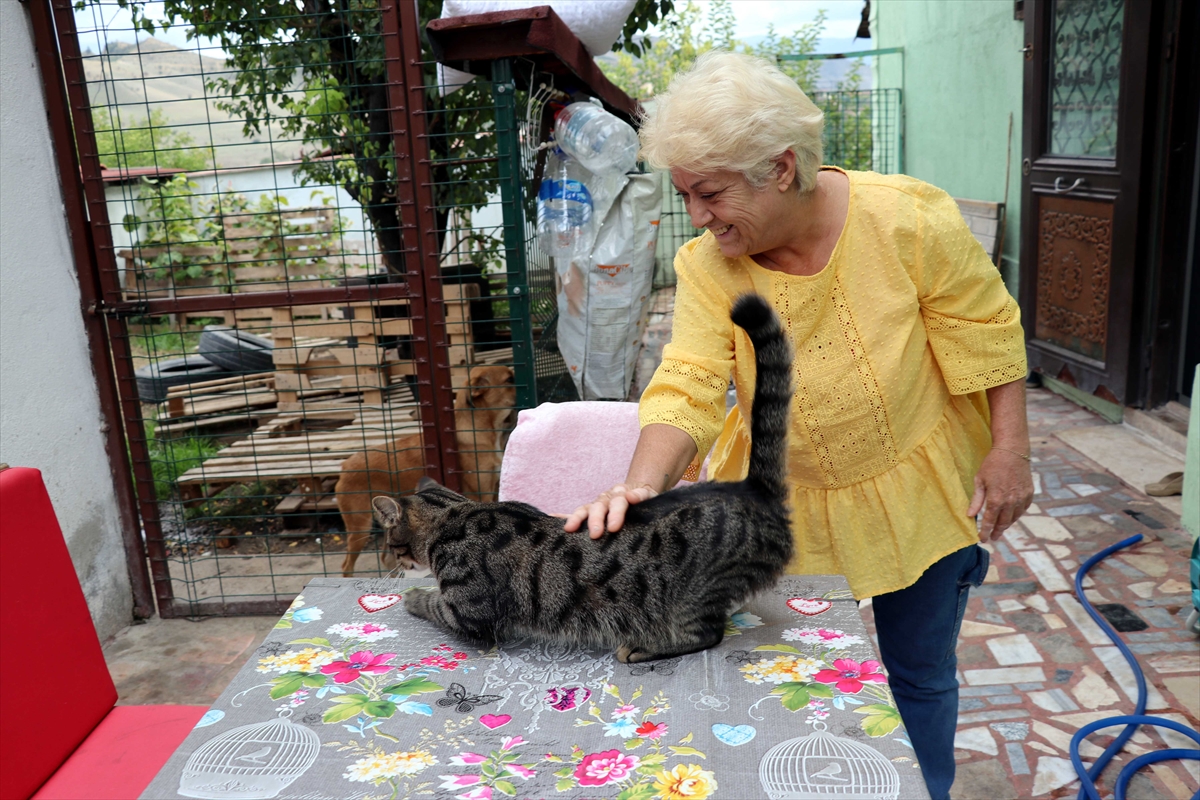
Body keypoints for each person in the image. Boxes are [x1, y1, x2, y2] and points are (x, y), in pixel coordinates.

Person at [562, 52, 1033, 799]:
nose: (698, 217)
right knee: (795, 680)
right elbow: (686, 381)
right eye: (685, 195)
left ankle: (927, 789)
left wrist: (1009, 449)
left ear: (781, 168)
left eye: (709, 193)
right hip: (780, 508)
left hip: (920, 487)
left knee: (919, 673)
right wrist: (639, 486)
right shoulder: (709, 266)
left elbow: (987, 334)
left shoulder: (910, 219)